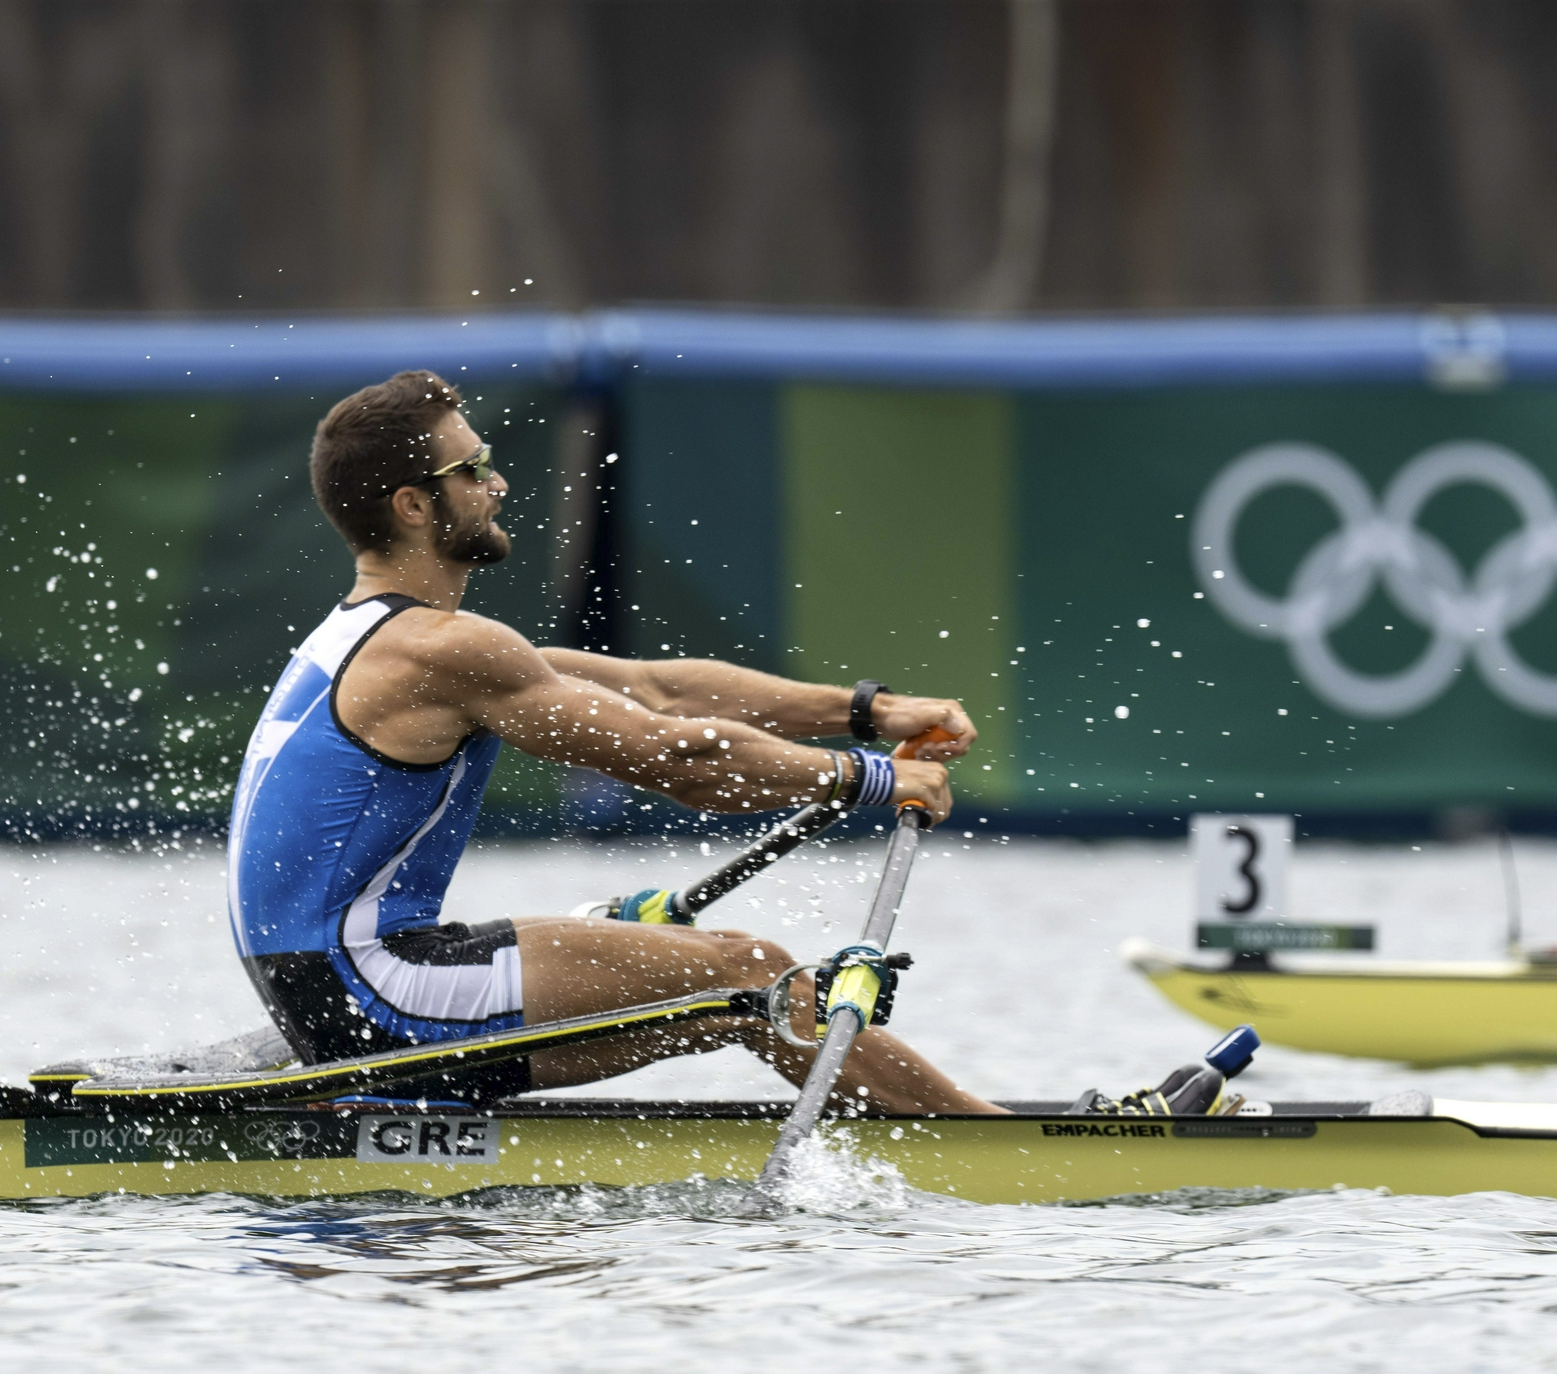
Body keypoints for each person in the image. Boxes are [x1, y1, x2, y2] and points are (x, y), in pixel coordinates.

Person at [227, 369, 1007, 1115]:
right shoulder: (438, 650)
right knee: (755, 975)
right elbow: (681, 760)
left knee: (734, 993)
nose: (498, 485)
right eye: (475, 468)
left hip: (337, 984)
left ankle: (962, 1130)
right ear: (413, 506)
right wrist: (869, 779)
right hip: (373, 990)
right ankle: (1007, 1151)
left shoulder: (377, 637)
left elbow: (657, 690)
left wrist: (868, 708)